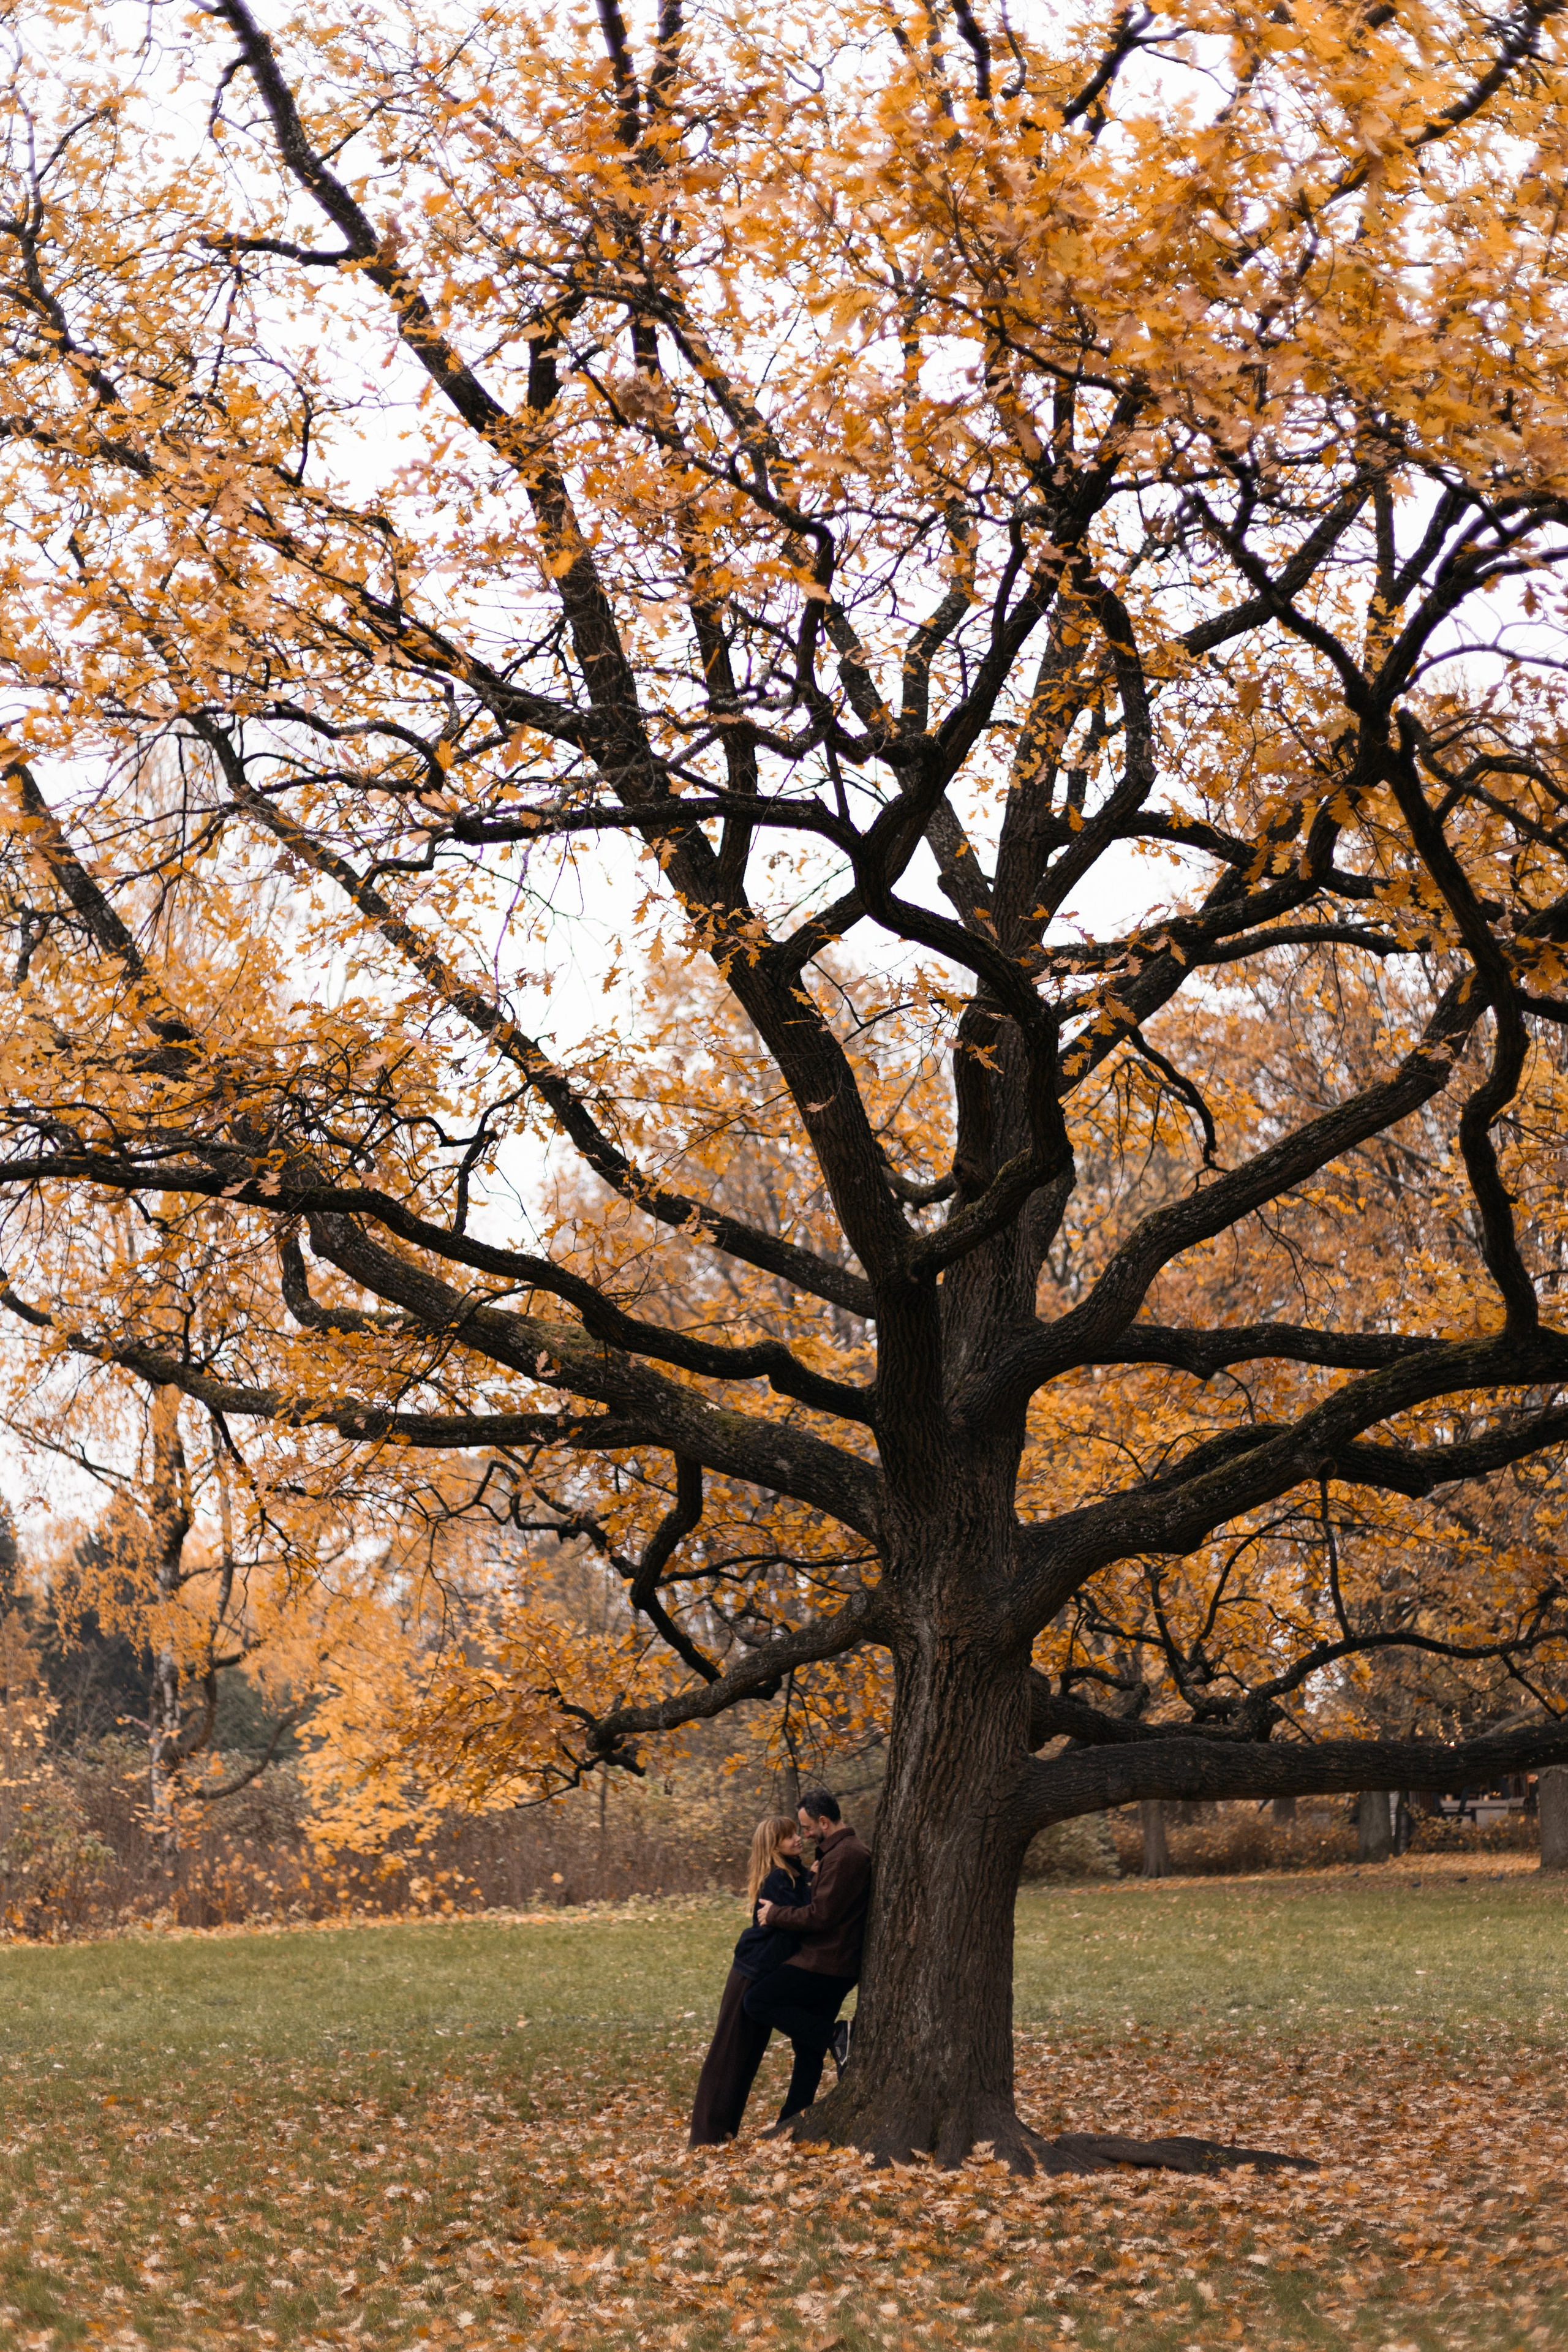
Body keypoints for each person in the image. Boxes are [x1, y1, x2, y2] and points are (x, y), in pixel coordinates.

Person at [742, 1787, 872, 2132]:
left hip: (826, 1962)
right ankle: (791, 2123)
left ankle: (836, 2034)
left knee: (757, 2001)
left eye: (807, 1827)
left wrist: (775, 1914)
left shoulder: (846, 1855)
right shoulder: (838, 1853)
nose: (805, 1834)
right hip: (831, 1960)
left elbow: (820, 1916)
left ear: (824, 1822)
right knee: (808, 2048)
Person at [688, 1814, 810, 2147]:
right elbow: (803, 1918)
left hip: (763, 1972)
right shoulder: (778, 1878)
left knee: (747, 2055)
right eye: (788, 1836)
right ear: (774, 1845)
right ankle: (705, 2138)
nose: (797, 1839)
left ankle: (722, 2133)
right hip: (751, 1972)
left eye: (796, 1833)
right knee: (729, 2053)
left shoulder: (793, 1874)